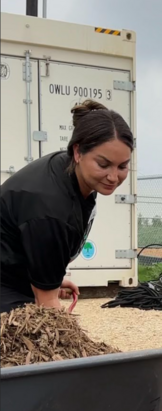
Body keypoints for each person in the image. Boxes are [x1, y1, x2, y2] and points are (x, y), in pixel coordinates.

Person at [0, 100, 133, 314]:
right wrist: (47, 288)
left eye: (123, 166)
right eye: (103, 164)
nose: (113, 177)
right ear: (78, 152)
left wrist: (51, 278)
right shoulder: (51, 208)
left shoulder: (69, 170)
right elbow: (47, 309)